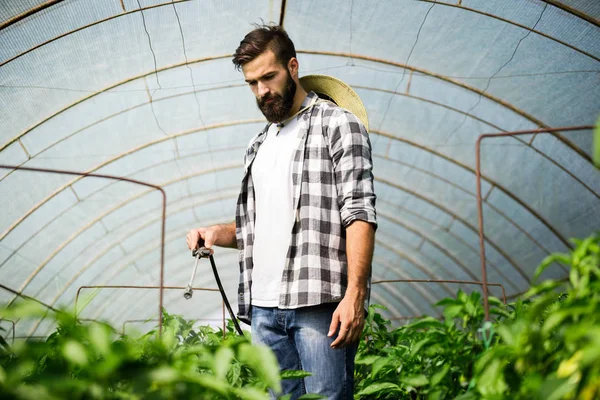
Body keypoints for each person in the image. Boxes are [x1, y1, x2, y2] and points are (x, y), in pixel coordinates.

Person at [186, 24, 377, 400]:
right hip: (263, 308)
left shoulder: (337, 125)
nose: (262, 92)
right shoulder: (258, 144)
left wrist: (354, 295)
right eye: (252, 83)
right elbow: (257, 228)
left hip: (318, 304)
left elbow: (358, 212)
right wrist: (215, 233)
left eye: (268, 77)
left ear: (292, 67)